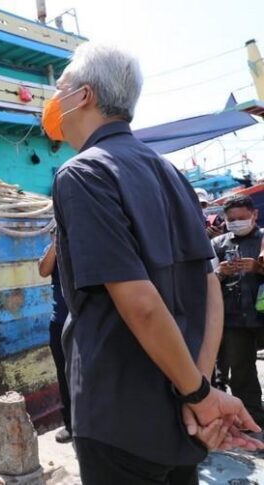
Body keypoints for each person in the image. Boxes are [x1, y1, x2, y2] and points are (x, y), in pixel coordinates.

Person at [44, 42, 262, 485]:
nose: (52, 98)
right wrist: (197, 387)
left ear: (83, 96)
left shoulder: (82, 174)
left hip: (118, 418)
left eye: (60, 87)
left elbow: (139, 302)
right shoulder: (170, 173)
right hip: (181, 418)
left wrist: (200, 395)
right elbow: (209, 285)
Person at [212, 195, 264, 426]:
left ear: (255, 215)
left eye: (241, 218)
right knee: (241, 371)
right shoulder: (218, 244)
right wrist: (220, 273)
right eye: (231, 219)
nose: (236, 223)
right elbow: (205, 282)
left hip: (261, 315)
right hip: (234, 319)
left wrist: (259, 268)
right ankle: (253, 421)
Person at [37, 225, 72, 444]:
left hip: (82, 323)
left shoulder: (82, 249)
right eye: (55, 231)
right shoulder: (53, 251)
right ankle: (70, 425)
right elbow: (43, 270)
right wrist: (55, 245)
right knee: (63, 374)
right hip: (59, 322)